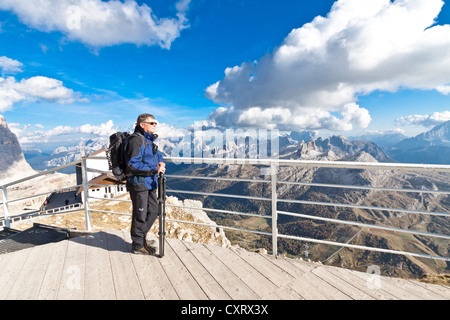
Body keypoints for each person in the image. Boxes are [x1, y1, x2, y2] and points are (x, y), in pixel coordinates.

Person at [124, 113, 166, 255]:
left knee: (154, 211)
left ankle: (140, 238)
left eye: (155, 123)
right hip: (139, 184)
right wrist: (155, 169)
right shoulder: (136, 140)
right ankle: (137, 245)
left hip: (149, 183)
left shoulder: (147, 139)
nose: (155, 125)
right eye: (152, 123)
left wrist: (160, 160)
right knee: (140, 215)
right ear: (142, 125)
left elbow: (154, 153)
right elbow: (132, 165)